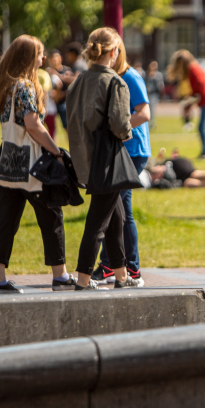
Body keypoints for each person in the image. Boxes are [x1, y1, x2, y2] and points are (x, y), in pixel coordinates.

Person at [0, 35, 74, 294]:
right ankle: (60, 275)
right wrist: (55, 151)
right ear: (28, 57)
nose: (43, 58)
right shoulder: (25, 86)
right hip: (31, 162)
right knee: (51, 214)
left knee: (6, 218)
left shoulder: (4, 84)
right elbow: (33, 125)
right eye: (40, 54)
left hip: (7, 159)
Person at [66, 27, 132, 291]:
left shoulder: (79, 80)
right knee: (98, 223)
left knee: (117, 217)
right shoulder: (115, 81)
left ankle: (122, 277)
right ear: (114, 52)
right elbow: (121, 125)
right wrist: (126, 133)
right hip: (107, 161)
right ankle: (83, 279)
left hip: (84, 156)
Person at [92, 42, 151, 288]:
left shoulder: (130, 76)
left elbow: (144, 113)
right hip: (116, 150)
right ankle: (113, 264)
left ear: (115, 53)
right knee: (114, 208)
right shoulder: (107, 77)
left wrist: (117, 130)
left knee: (121, 209)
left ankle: (129, 267)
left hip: (132, 151)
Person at [169, 50, 205, 158]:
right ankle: (204, 152)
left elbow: (199, 85)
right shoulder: (194, 67)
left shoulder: (192, 68)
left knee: (202, 126)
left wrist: (191, 98)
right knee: (203, 126)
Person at [47, 49, 75, 137]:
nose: (54, 60)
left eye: (56, 57)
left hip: (64, 102)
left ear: (61, 59)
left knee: (67, 127)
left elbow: (73, 85)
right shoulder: (48, 72)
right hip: (51, 103)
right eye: (52, 58)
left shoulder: (67, 70)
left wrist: (62, 94)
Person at [145, 61, 164, 130]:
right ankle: (146, 122)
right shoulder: (146, 74)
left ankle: (152, 123)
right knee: (147, 108)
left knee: (152, 108)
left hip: (154, 94)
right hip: (147, 94)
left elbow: (160, 85)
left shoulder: (158, 75)